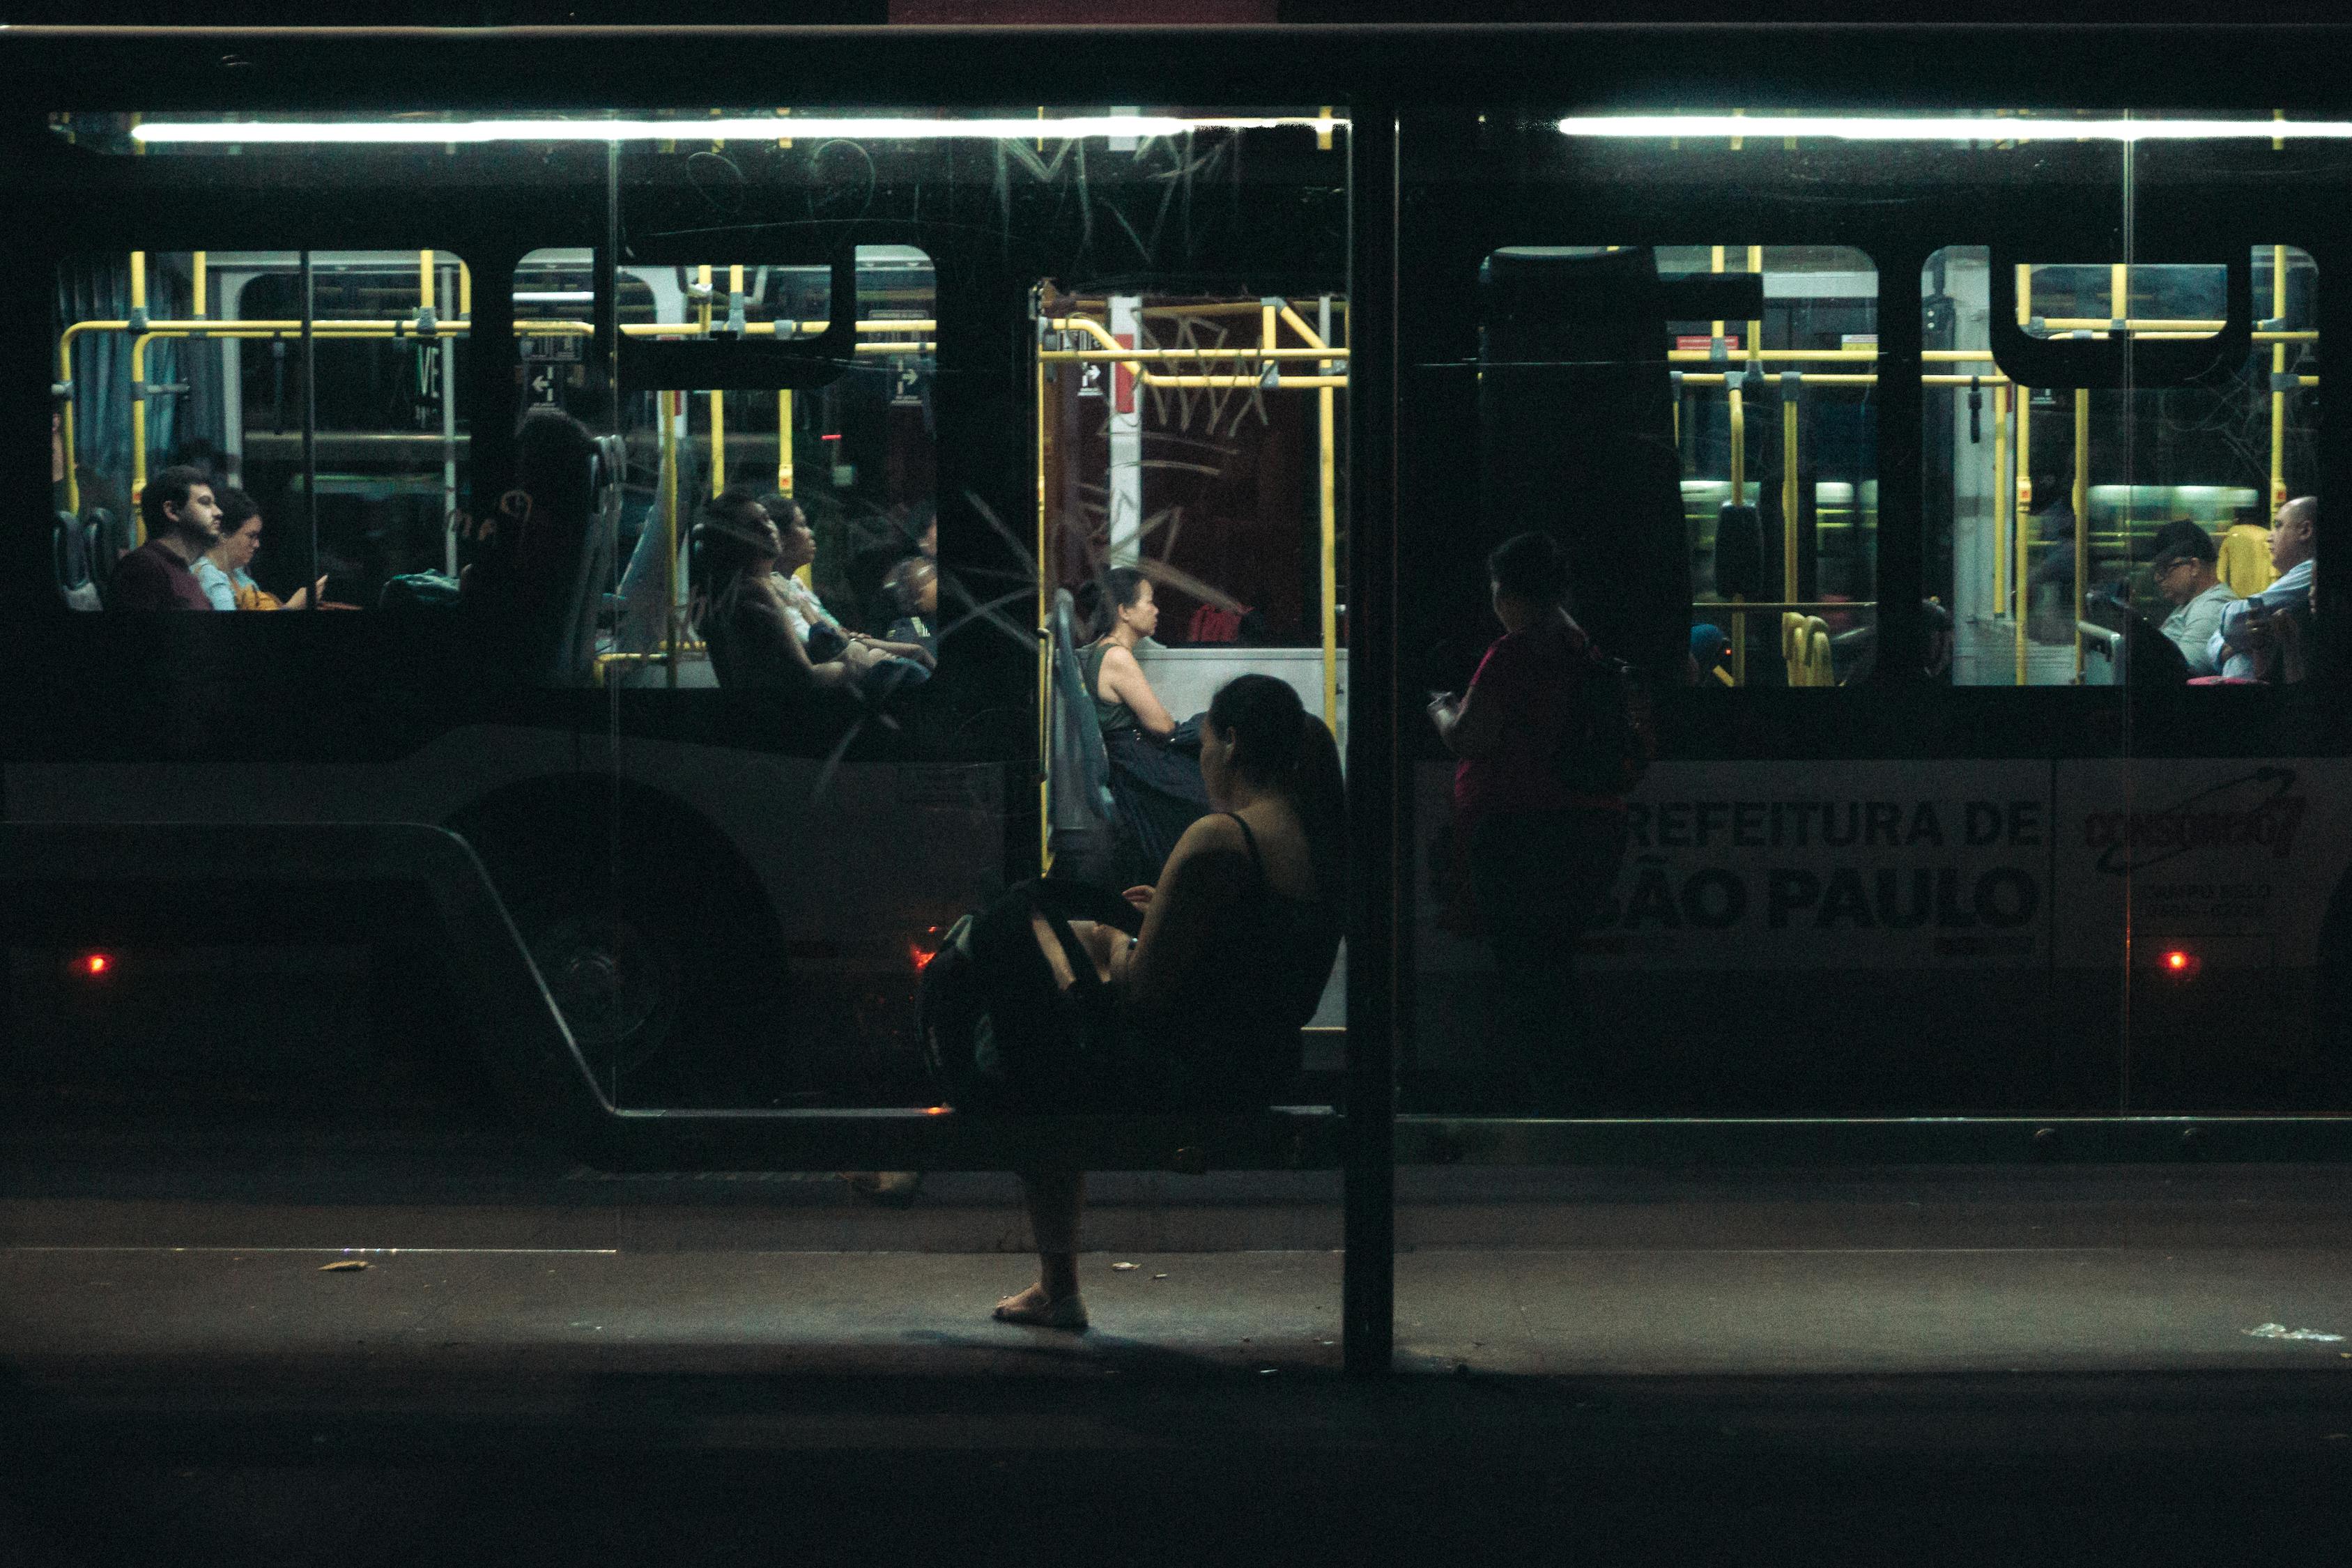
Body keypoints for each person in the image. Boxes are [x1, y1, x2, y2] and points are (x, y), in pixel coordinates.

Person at [993, 674, 1346, 1331]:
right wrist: (1169, 915)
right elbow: (1251, 947)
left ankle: (1054, 1281)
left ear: (1232, 743)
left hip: (1192, 1067)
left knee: (1030, 1005)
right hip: (1265, 1058)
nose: (1200, 758)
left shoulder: (1218, 837)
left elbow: (1145, 995)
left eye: (1204, 742)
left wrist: (1111, 945)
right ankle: (1051, 1284)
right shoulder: (1316, 836)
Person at [1427, 531, 1631, 1109]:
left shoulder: (1513, 654)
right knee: (1551, 964)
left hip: (1521, 832)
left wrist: (1441, 709)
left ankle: (1559, 1094)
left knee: (1527, 972)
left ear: (1508, 593)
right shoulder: (1582, 649)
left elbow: (1473, 737)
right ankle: (1570, 1087)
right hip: (1589, 829)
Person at [1077, 567, 1210, 884]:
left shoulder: (1105, 651)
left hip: (1133, 759)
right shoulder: (1117, 657)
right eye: (1149, 602)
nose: (1156, 610)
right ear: (1124, 611)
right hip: (1137, 766)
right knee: (1208, 796)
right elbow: (1163, 727)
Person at [2208, 495, 2317, 681]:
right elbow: (2223, 636)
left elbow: (2234, 621)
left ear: (2305, 530)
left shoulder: (2311, 571)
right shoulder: (2291, 577)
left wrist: (2236, 642)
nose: (2269, 536)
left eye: (2278, 525)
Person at [109, 465, 222, 611]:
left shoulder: (181, 569)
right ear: (172, 511)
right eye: (205, 503)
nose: (218, 512)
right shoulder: (143, 569)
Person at [192, 488, 323, 612]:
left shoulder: (239, 575)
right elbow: (229, 630)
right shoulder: (209, 577)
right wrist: (291, 608)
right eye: (251, 536)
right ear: (224, 534)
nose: (257, 545)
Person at [2147, 530, 2236, 677]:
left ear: (2194, 566)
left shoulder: (2211, 606)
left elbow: (2184, 672)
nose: (2158, 578)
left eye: (2164, 569)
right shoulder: (2188, 603)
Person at [879, 553, 938, 659]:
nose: (935, 581)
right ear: (918, 599)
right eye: (927, 580)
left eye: (933, 575)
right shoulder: (911, 628)